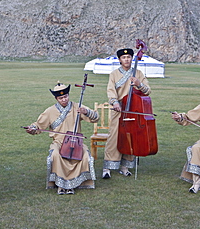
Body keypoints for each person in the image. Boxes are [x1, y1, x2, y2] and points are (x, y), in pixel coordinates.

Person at [25, 82, 99, 195]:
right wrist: (32, 128)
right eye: (61, 98)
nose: (64, 99)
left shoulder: (77, 107)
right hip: (58, 142)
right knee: (55, 154)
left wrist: (86, 112)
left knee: (85, 155)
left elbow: (95, 117)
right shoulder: (50, 111)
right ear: (56, 98)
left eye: (66, 96)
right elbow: (39, 126)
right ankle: (60, 185)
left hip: (76, 141)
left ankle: (77, 183)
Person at [102, 48, 151, 179]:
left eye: (129, 57)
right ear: (120, 60)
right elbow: (110, 90)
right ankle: (107, 167)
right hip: (119, 109)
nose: (127, 59)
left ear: (132, 58)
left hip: (133, 110)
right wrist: (115, 103)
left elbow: (148, 91)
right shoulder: (114, 74)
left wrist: (138, 84)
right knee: (114, 137)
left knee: (130, 138)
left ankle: (124, 167)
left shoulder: (138, 73)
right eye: (124, 58)